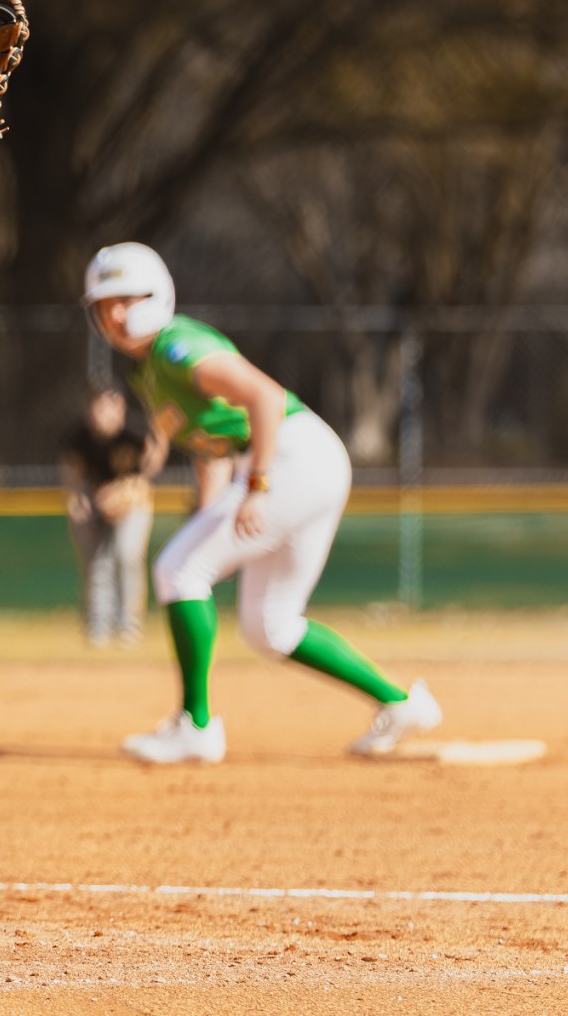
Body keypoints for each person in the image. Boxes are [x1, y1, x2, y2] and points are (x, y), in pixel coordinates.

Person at [81, 242, 443, 764]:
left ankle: (195, 726)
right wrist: (211, 519)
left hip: (291, 456)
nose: (113, 314)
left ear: (154, 296)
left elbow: (265, 398)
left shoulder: (176, 347)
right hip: (302, 460)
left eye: (124, 298)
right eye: (102, 304)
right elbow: (212, 449)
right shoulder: (148, 371)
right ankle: (401, 704)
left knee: (176, 569)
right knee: (271, 625)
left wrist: (257, 489)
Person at [59, 387, 163, 647]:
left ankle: (129, 628)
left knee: (127, 555)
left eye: (109, 406)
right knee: (97, 561)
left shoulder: (134, 431)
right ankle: (99, 628)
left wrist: (138, 483)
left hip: (132, 501)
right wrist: (82, 505)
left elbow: (156, 450)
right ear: (88, 409)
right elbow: (72, 474)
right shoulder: (78, 436)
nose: (102, 413)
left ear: (121, 408)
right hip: (95, 501)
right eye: (97, 407)